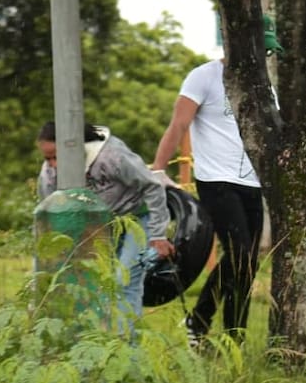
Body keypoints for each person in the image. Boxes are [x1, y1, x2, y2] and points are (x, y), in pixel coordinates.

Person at [152, 58, 264, 341]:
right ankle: (199, 320)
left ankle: (234, 337)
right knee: (239, 255)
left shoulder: (263, 80)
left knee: (248, 264)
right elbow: (178, 124)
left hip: (253, 181)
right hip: (216, 180)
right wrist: (158, 169)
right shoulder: (204, 76)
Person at [36, 121, 174, 321]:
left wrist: (158, 235)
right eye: (47, 159)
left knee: (123, 281)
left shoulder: (113, 157)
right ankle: (96, 342)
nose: (52, 165)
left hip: (137, 218)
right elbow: (51, 210)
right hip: (98, 226)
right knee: (94, 283)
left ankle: (126, 347)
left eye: (57, 157)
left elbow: (152, 186)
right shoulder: (49, 173)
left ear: (73, 148)